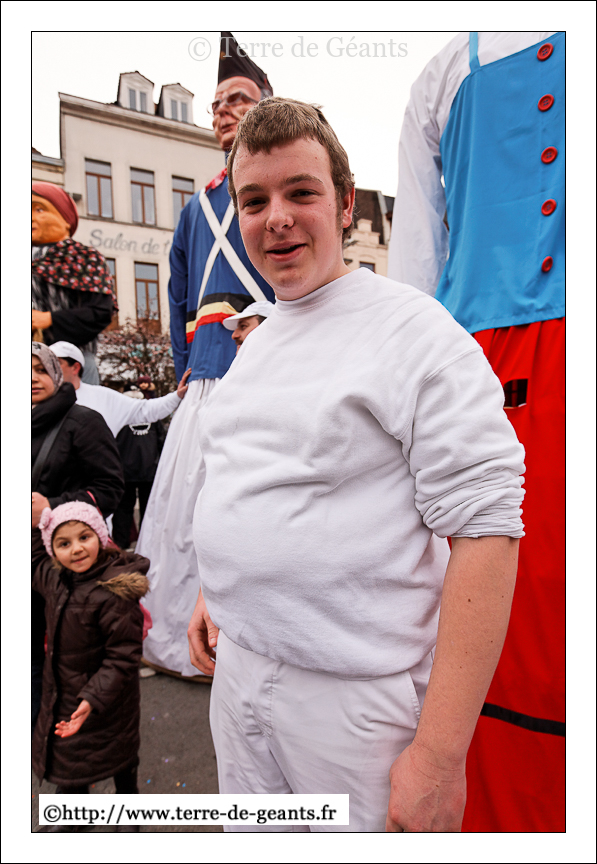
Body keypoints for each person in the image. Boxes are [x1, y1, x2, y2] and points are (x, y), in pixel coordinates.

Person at [187, 98, 525, 833]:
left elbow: (489, 531)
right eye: (254, 201)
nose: (276, 217)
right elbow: (246, 482)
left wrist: (439, 757)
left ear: (344, 205)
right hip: (239, 674)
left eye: (300, 192)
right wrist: (222, 593)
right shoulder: (259, 340)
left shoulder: (415, 332)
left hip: (352, 705)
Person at [386, 32, 564, 832]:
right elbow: (415, 261)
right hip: (486, 367)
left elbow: (414, 268)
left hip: (489, 359)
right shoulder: (442, 74)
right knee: (496, 610)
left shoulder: (444, 73)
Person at [136, 32, 276, 678]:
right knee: (188, 514)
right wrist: (183, 365)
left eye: (239, 99)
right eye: (217, 103)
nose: (224, 111)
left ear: (267, 104)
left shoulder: (278, 189)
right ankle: (183, 642)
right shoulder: (195, 208)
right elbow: (178, 293)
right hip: (208, 374)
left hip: (268, 370)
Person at [32, 502, 149, 833]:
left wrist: (92, 697)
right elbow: (32, 558)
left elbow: (123, 655)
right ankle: (75, 813)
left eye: (84, 537)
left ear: (100, 536)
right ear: (52, 549)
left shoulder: (114, 592)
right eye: (64, 543)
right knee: (70, 753)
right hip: (65, 691)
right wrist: (33, 521)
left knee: (120, 751)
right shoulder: (55, 579)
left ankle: (129, 808)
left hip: (110, 697)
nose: (76, 549)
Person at [31, 342, 124, 732]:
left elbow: (110, 489)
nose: (31, 379)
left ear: (57, 373)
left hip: (62, 566)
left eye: (39, 369)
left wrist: (51, 508)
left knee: (61, 659)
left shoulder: (83, 421)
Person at [32, 182, 117, 385]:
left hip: (72, 361)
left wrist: (49, 319)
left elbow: (100, 312)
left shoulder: (84, 257)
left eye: (39, 209)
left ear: (65, 219)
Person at [49, 341, 190, 438]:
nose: (49, 368)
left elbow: (145, 410)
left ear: (75, 367)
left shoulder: (102, 397)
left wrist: (177, 396)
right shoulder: (41, 398)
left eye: (56, 363)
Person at [112, 388, 167, 550]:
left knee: (127, 510)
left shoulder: (119, 416)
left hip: (128, 471)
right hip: (144, 470)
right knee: (145, 510)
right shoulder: (148, 416)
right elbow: (162, 442)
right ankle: (144, 544)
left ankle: (123, 544)